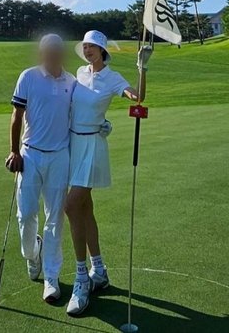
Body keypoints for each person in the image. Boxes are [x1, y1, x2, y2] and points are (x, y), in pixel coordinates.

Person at [65, 30, 152, 316]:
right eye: (85, 46)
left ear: (103, 50)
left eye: (93, 46)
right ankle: (99, 270)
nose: (88, 50)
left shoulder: (112, 78)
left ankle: (81, 278)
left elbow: (137, 97)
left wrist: (142, 68)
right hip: (73, 144)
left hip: (93, 146)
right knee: (85, 209)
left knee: (71, 206)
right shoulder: (79, 73)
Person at [5, 33, 76, 303]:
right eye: (47, 50)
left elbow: (80, 114)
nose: (51, 54)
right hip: (30, 154)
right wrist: (14, 151)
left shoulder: (71, 82)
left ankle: (51, 277)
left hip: (59, 156)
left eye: (56, 50)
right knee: (26, 215)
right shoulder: (28, 76)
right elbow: (17, 115)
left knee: (55, 217)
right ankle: (32, 253)